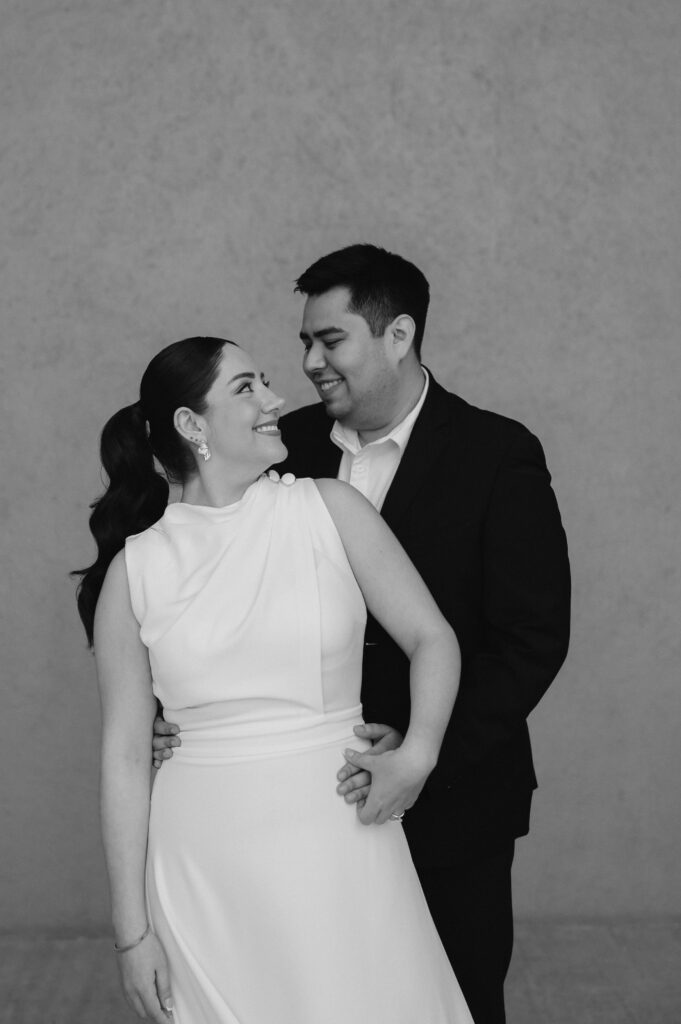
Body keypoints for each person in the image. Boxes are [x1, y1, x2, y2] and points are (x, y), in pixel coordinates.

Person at [153, 245, 572, 1024]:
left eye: (330, 340)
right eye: (305, 342)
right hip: (301, 809)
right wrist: (166, 705)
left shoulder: (495, 454)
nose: (309, 362)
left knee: (455, 1000)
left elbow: (530, 640)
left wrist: (420, 749)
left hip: (454, 799)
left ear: (398, 335)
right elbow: (183, 569)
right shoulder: (278, 444)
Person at [75, 336, 474, 1023]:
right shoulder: (134, 571)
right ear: (191, 424)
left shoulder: (331, 508)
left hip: (340, 842)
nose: (276, 398)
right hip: (202, 868)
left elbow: (431, 638)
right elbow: (125, 757)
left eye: (265, 381)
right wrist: (131, 934)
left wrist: (418, 754)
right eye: (246, 387)